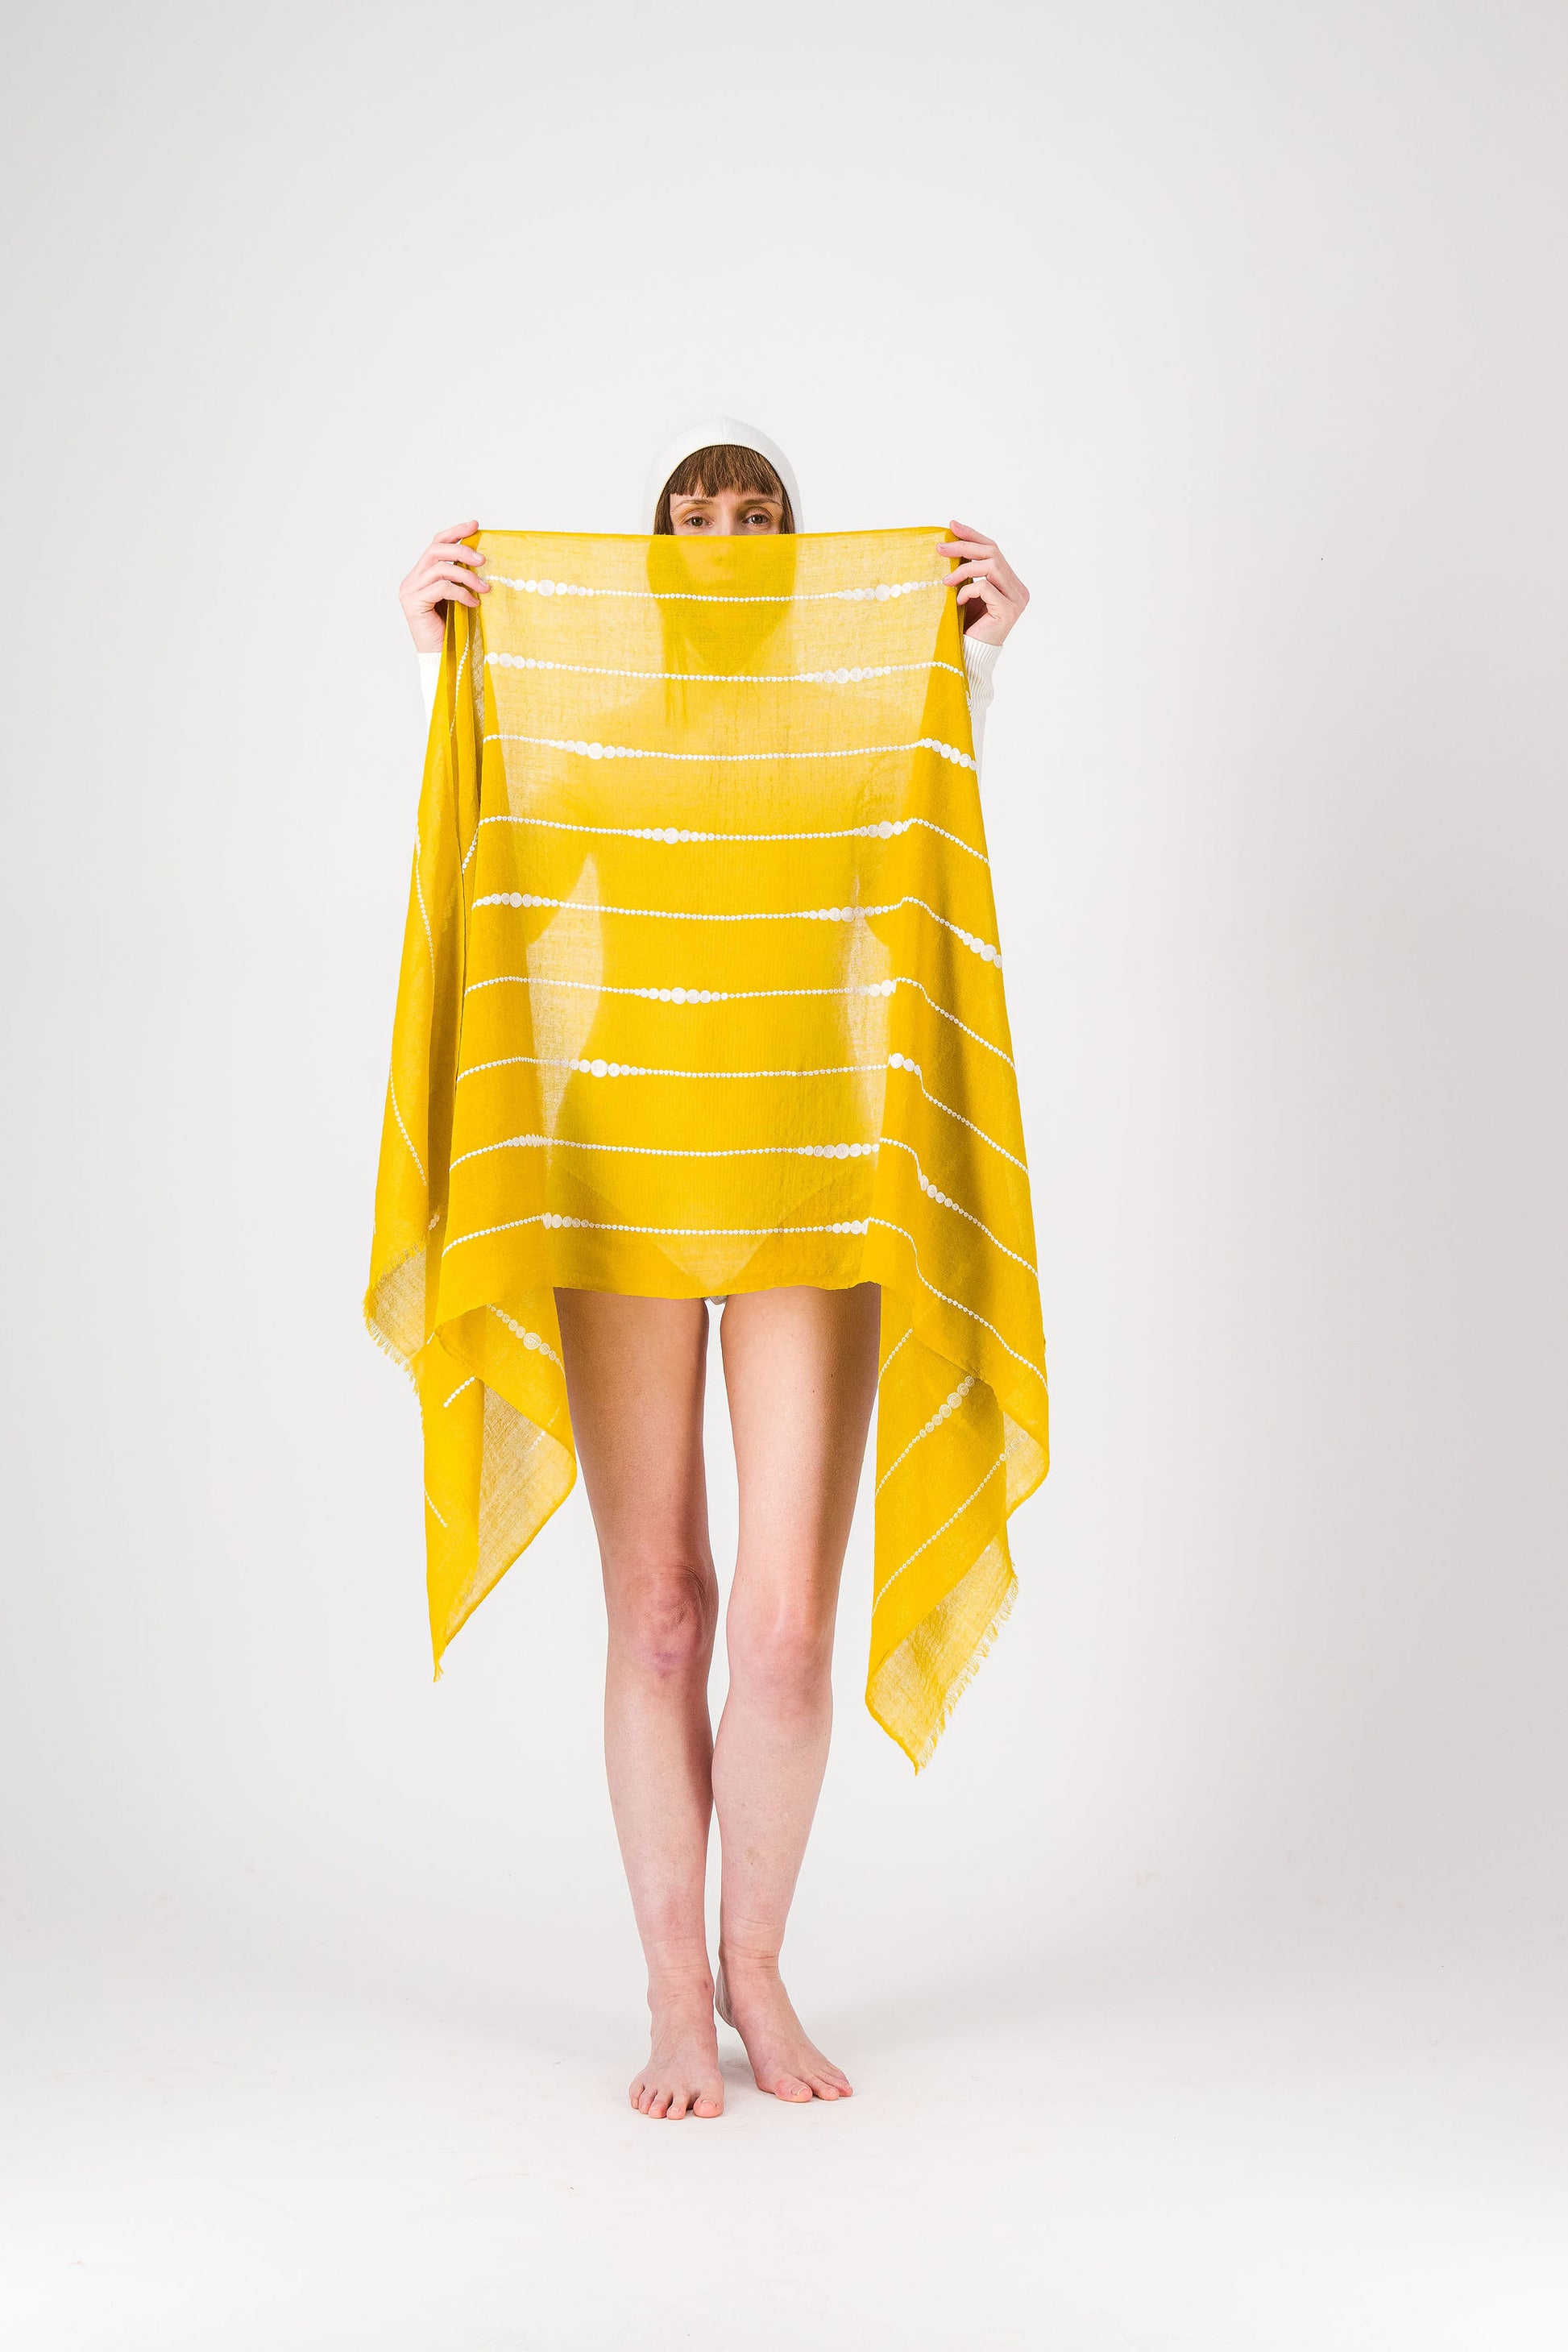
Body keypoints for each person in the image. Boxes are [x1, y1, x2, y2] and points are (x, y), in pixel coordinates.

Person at [394, 422, 1030, 2121]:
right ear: (655, 552)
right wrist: (450, 663)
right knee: (662, 1610)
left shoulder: (855, 727)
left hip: (813, 1180)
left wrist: (970, 655)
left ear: (800, 551)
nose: (727, 536)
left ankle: (757, 1964)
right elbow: (503, 862)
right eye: (693, 514)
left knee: (789, 1628)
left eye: (759, 515)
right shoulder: (594, 725)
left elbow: (924, 844)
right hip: (617, 1172)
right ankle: (676, 1994)